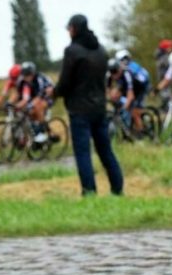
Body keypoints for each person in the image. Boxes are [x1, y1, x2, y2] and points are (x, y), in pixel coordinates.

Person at [50, 14, 122, 196]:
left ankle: (89, 191)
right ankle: (117, 189)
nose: (68, 31)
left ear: (74, 29)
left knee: (83, 153)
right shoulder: (101, 50)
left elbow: (65, 81)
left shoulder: (72, 51)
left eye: (69, 28)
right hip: (99, 108)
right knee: (106, 151)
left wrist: (55, 93)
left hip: (79, 109)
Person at [13, 62, 54, 143]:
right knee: (29, 112)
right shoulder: (22, 80)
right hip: (36, 97)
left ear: (33, 73)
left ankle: (45, 131)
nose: (26, 77)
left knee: (37, 107)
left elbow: (40, 96)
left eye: (28, 75)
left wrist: (29, 105)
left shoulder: (39, 78)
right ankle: (35, 132)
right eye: (24, 75)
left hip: (48, 95)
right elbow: (19, 94)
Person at [106, 57, 147, 135]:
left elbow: (130, 95)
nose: (114, 75)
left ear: (119, 69)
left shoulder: (127, 73)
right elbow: (107, 91)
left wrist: (125, 108)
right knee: (114, 95)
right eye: (112, 73)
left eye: (116, 72)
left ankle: (140, 133)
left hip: (139, 88)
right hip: (125, 86)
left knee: (134, 111)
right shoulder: (109, 74)